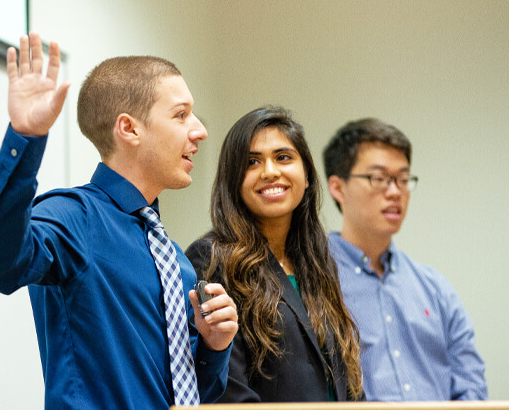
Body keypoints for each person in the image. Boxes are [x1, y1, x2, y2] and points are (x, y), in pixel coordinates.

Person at [0, 33, 238, 409]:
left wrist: (213, 345)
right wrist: (24, 138)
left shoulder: (178, 264)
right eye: (180, 114)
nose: (200, 131)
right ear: (129, 129)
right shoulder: (73, 218)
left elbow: (187, 393)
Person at [186, 105, 363, 402]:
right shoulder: (213, 258)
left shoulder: (318, 262)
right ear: (234, 180)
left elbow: (345, 384)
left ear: (306, 175)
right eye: (252, 162)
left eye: (283, 157)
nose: (270, 172)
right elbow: (227, 390)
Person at [323, 117, 487, 401]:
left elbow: (471, 388)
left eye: (403, 179)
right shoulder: (313, 280)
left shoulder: (434, 289)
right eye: (378, 178)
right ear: (338, 188)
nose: (395, 191)